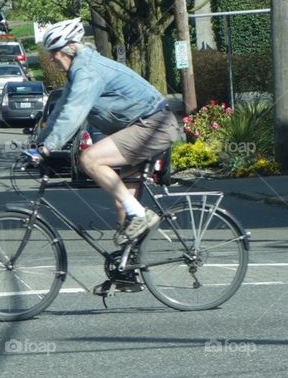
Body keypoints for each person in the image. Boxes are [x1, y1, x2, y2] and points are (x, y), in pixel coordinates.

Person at [30, 18, 182, 294]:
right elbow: (61, 110)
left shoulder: (88, 71)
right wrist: (38, 144)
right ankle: (127, 273)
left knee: (90, 160)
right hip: (143, 127)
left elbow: (74, 113)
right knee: (122, 202)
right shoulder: (78, 72)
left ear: (71, 49)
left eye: (55, 52)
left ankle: (142, 215)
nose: (52, 59)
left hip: (153, 126)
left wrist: (49, 148)